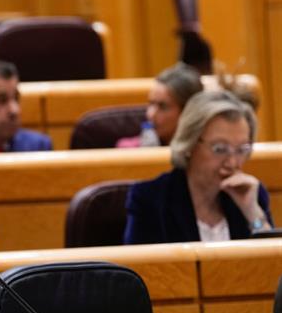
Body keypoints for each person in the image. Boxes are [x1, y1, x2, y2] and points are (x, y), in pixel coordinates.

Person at [124, 90, 273, 244]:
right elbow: (139, 259)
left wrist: (253, 213)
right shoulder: (149, 198)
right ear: (189, 145)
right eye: (220, 149)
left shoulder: (252, 195)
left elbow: (271, 258)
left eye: (242, 149)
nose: (232, 163)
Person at [117, 63, 203, 147]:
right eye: (151, 103)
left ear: (187, 111)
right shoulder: (128, 149)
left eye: (163, 107)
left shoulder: (204, 151)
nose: (151, 114)